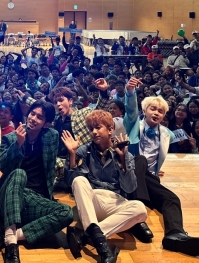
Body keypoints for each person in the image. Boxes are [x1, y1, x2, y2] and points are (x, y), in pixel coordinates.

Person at [116, 85, 199, 256]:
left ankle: (175, 235)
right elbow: (130, 112)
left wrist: (155, 170)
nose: (156, 113)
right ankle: (138, 210)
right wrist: (130, 93)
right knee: (140, 160)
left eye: (160, 111)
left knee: (172, 198)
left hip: (149, 178)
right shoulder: (133, 125)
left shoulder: (168, 133)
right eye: (153, 109)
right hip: (130, 174)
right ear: (144, 111)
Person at [0, 101, 73, 263]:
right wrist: (18, 144)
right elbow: (3, 165)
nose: (33, 118)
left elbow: (51, 168)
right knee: (19, 174)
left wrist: (72, 153)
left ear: (46, 124)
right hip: (9, 195)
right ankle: (11, 246)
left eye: (39, 117)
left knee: (67, 212)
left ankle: (11, 233)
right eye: (32, 113)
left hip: (34, 198)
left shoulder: (51, 136)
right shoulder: (10, 138)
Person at [62, 110, 147, 263]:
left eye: (98, 127)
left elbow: (129, 188)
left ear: (110, 129)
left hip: (115, 201)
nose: (94, 132)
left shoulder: (124, 153)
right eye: (91, 129)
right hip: (93, 201)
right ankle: (102, 246)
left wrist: (122, 158)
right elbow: (70, 183)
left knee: (140, 209)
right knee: (79, 181)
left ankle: (87, 235)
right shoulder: (84, 151)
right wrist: (72, 155)